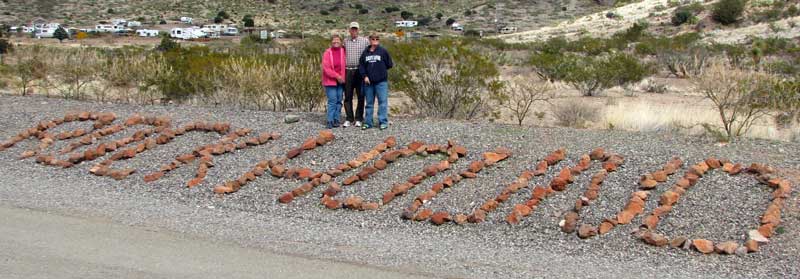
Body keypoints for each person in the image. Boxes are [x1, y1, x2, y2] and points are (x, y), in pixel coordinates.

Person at [358, 33, 393, 130]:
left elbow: (389, 64)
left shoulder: (383, 51)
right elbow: (361, 66)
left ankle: (383, 122)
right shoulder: (365, 52)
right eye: (373, 38)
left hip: (381, 82)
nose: (375, 40)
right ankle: (368, 122)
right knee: (369, 103)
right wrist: (365, 76)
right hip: (368, 83)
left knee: (382, 102)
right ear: (369, 40)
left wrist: (379, 71)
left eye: (377, 38)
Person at [342, 22, 369, 128]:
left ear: (358, 30)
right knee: (347, 96)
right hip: (348, 70)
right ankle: (349, 118)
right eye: (352, 29)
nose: (354, 31)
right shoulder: (345, 41)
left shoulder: (365, 41)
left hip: (359, 70)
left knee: (360, 96)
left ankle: (358, 118)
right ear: (349, 30)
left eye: (355, 29)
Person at [321, 34, 346, 128]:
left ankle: (336, 119)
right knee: (332, 101)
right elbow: (326, 68)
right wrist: (337, 76)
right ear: (331, 42)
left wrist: (342, 78)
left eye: (338, 40)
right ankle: (330, 120)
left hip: (341, 81)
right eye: (334, 40)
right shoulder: (327, 52)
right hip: (330, 81)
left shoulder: (343, 51)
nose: (336, 42)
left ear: (341, 42)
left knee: (339, 100)